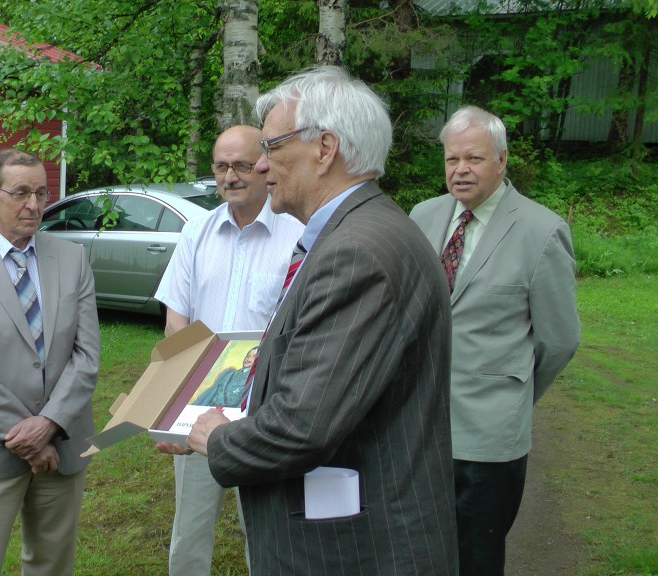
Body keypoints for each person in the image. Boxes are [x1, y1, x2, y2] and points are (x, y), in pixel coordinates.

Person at [182, 66, 459, 574]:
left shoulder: (357, 251)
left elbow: (300, 426)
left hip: (354, 550)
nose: (262, 166)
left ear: (325, 148)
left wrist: (216, 438)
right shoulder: (360, 233)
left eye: (272, 147)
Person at [410, 105, 580, 576]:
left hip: (488, 439)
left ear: (501, 161)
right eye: (451, 159)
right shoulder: (423, 217)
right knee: (419, 550)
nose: (460, 169)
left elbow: (559, 341)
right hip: (419, 430)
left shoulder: (541, 231)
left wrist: (512, 391)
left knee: (476, 559)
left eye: (474, 159)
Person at [0, 149, 99, 576]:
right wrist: (26, 436)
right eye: (21, 192)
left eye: (42, 193)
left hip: (62, 445)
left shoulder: (72, 259)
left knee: (51, 565)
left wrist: (49, 425)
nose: (34, 204)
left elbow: (86, 356)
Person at [154, 125, 305, 575]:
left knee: (264, 526)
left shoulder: (296, 234)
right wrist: (174, 410)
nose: (230, 176)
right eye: (221, 166)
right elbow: (176, 322)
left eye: (241, 165)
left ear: (264, 166)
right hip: (202, 406)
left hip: (267, 409)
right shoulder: (197, 233)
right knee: (191, 529)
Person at [193, 347, 258, 407]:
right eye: (248, 356)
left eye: (253, 357)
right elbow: (213, 392)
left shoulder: (254, 378)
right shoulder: (230, 374)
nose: (248, 359)